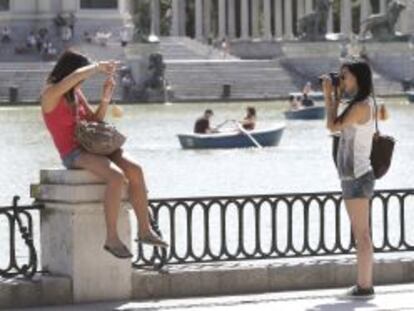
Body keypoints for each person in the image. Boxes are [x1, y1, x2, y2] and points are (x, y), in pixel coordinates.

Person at [41, 50, 168, 259]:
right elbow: (75, 77)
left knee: (135, 170)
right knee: (116, 177)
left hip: (94, 146)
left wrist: (105, 98)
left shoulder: (75, 92)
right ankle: (111, 238)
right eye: (81, 76)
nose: (82, 82)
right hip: (73, 153)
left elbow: (95, 120)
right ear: (70, 71)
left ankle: (145, 230)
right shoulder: (51, 94)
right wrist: (98, 66)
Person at [321, 58, 376, 299]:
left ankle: (364, 287)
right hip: (356, 175)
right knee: (362, 233)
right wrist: (337, 93)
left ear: (358, 78)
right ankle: (364, 285)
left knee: (361, 235)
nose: (341, 80)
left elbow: (332, 126)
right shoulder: (361, 103)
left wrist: (328, 96)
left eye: (345, 76)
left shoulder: (360, 106)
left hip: (356, 176)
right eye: (340, 77)